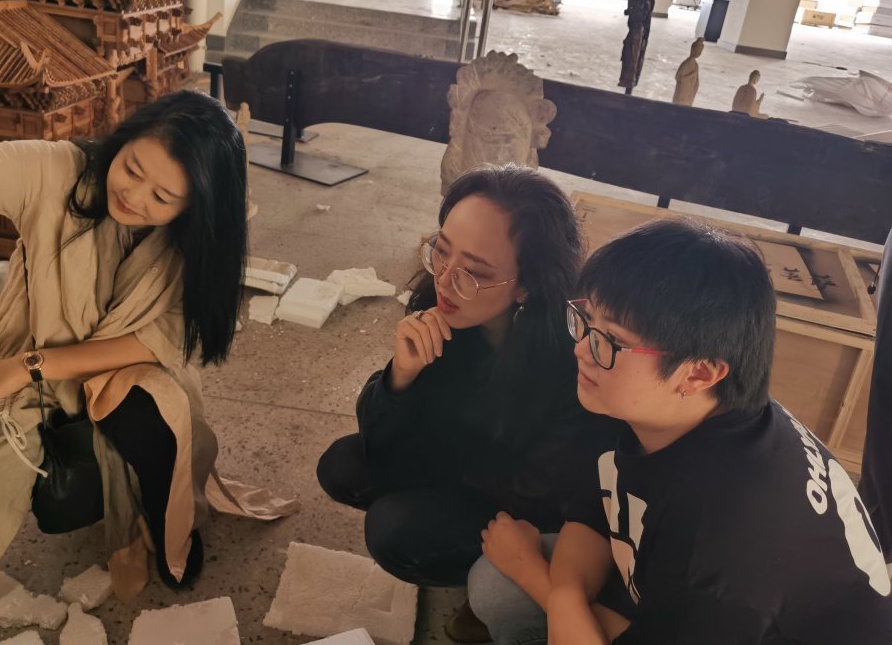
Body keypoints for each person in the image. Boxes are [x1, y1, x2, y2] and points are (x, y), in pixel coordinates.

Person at [0, 90, 296, 600]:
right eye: (131, 169)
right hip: (33, 371)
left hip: (117, 368)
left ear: (193, 206)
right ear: (123, 141)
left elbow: (153, 342)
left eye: (162, 197)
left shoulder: (200, 243)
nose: (134, 196)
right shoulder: (63, 171)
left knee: (155, 421)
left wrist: (28, 365)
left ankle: (169, 526)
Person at [468, 220, 892, 644]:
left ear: (699, 373)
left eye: (610, 338)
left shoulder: (724, 543)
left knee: (507, 586)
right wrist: (564, 593)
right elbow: (599, 507)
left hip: (734, 614)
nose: (582, 348)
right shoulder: (671, 407)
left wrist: (533, 574)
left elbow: (709, 577)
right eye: (587, 318)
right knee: (499, 585)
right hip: (700, 595)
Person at [316, 164, 617, 638]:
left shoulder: (568, 358)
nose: (445, 279)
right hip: (470, 463)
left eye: (474, 272)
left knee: (394, 528)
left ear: (527, 285)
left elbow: (544, 493)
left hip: (531, 510)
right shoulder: (443, 310)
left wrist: (439, 451)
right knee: (344, 465)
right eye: (441, 250)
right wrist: (401, 377)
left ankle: (493, 588)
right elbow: (383, 433)